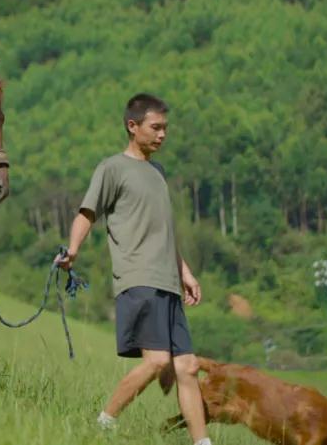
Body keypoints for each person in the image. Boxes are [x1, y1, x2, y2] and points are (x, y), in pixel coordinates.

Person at [55, 94, 211, 445]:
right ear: (132, 126)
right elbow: (87, 212)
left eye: (165, 129)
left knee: (186, 367)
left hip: (168, 281)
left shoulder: (158, 172)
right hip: (139, 278)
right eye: (155, 128)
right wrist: (74, 250)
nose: (162, 135)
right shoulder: (112, 168)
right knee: (157, 362)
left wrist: (184, 272)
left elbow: (164, 231)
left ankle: (203, 444)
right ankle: (104, 422)